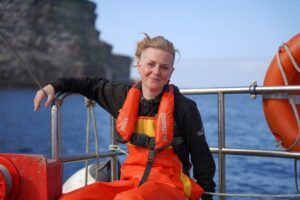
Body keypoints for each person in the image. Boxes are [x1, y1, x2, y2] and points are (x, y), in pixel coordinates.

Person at [34, 33, 216, 200]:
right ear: (139, 64)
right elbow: (90, 85)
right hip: (131, 182)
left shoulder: (185, 108)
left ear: (171, 72)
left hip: (170, 187)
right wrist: (54, 86)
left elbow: (202, 158)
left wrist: (207, 195)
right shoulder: (122, 97)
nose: (156, 71)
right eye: (151, 64)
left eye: (164, 67)